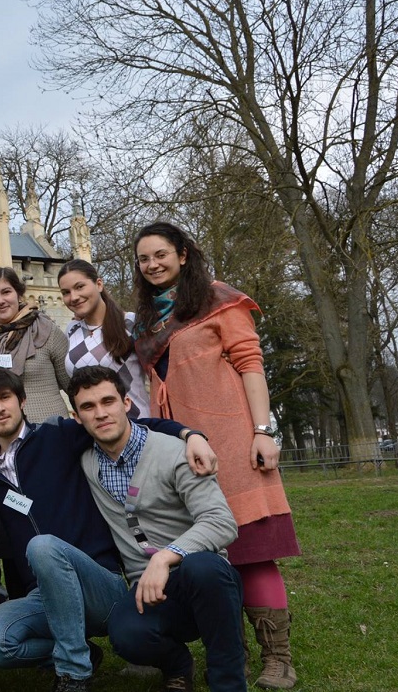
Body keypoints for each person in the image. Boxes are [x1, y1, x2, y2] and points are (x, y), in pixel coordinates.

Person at [0, 365, 215, 689]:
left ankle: (73, 674)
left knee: (42, 546)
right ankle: (85, 654)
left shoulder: (58, 434)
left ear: (22, 400)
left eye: (5, 397)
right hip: (43, 592)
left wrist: (189, 434)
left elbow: (128, 427)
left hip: (100, 584)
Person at [133, 221, 299, 689]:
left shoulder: (218, 298)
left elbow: (250, 364)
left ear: (183, 254)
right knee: (212, 553)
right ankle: (233, 649)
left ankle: (278, 658)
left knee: (253, 551)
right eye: (144, 259)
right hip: (185, 450)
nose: (153, 265)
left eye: (161, 254)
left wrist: (263, 431)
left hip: (232, 440)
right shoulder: (149, 320)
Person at [58, 365, 247, 691]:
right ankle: (177, 666)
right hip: (149, 591)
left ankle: (227, 681)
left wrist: (165, 557)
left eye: (108, 401)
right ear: (77, 418)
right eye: (88, 407)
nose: (101, 413)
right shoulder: (87, 463)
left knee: (204, 568)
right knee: (126, 634)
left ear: (126, 403)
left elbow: (221, 521)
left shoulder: (176, 452)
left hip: (201, 580)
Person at [0, 266, 70, 423]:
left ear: (18, 294)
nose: (0, 301)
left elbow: (73, 388)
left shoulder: (46, 331)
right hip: (0, 437)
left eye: (6, 292)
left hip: (49, 431)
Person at [57, 259, 150, 418]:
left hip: (137, 422)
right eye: (66, 292)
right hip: (96, 427)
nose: (73, 297)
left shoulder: (130, 323)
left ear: (99, 284)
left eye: (80, 287)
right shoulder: (72, 330)